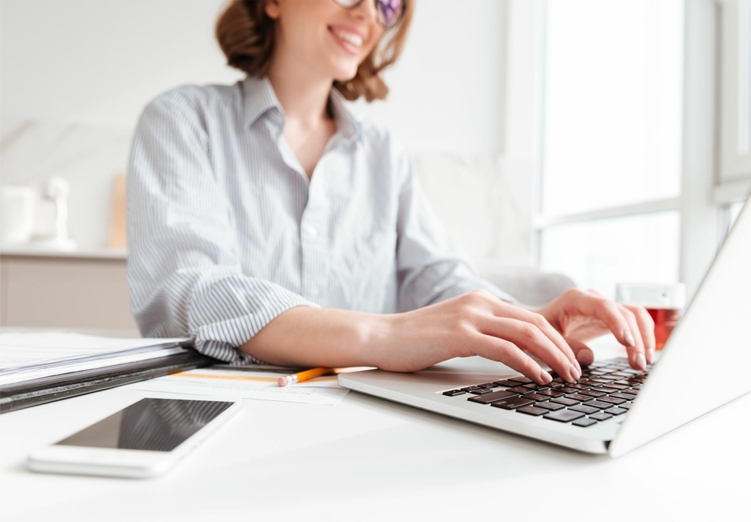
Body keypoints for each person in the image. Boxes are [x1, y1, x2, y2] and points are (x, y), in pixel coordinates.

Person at [127, 0, 655, 386]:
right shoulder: (181, 121)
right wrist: (382, 337)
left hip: (363, 416)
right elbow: (191, 290)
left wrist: (527, 321)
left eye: (387, 4)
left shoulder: (382, 154)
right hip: (222, 412)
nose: (367, 13)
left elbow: (440, 279)